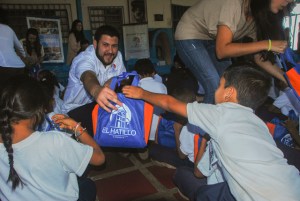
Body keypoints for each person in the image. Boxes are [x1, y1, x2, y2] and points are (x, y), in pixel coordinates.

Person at [122, 63, 300, 201]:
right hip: (293, 186)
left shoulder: (221, 114)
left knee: (191, 181)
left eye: (219, 86)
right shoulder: (258, 123)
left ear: (229, 94)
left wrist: (141, 93)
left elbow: (170, 104)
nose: (215, 90)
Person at [0, 75, 105, 201]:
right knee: (88, 185)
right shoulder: (54, 142)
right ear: (39, 110)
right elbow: (99, 158)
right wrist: (77, 127)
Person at [174, 0, 293, 104]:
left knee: (230, 83)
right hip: (190, 34)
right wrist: (267, 44)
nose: (289, 1)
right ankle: (200, 128)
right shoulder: (235, 3)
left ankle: (213, 114)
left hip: (212, 39)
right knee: (215, 86)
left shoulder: (256, 16)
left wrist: (287, 79)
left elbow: (260, 58)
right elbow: (222, 51)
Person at [62, 25, 126, 135]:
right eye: (105, 45)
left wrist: (115, 79)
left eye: (114, 46)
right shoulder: (84, 58)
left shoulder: (117, 56)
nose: (110, 51)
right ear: (95, 44)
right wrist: (97, 91)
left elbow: (123, 77)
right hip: (75, 111)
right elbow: (88, 76)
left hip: (99, 107)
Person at [0, 8, 26, 90]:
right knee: (15, 92)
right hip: (19, 66)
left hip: (4, 67)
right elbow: (20, 48)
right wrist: (24, 56)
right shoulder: (9, 28)